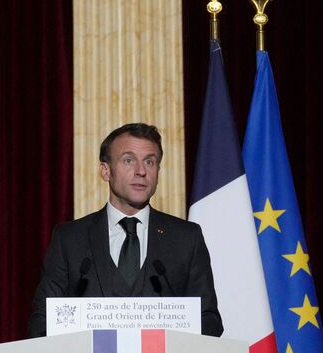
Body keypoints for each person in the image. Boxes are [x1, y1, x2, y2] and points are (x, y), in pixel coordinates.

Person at [28, 123, 224, 337]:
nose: (141, 171)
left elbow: (209, 320)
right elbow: (43, 321)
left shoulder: (186, 238)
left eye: (150, 161)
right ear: (105, 171)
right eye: (128, 160)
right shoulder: (69, 239)